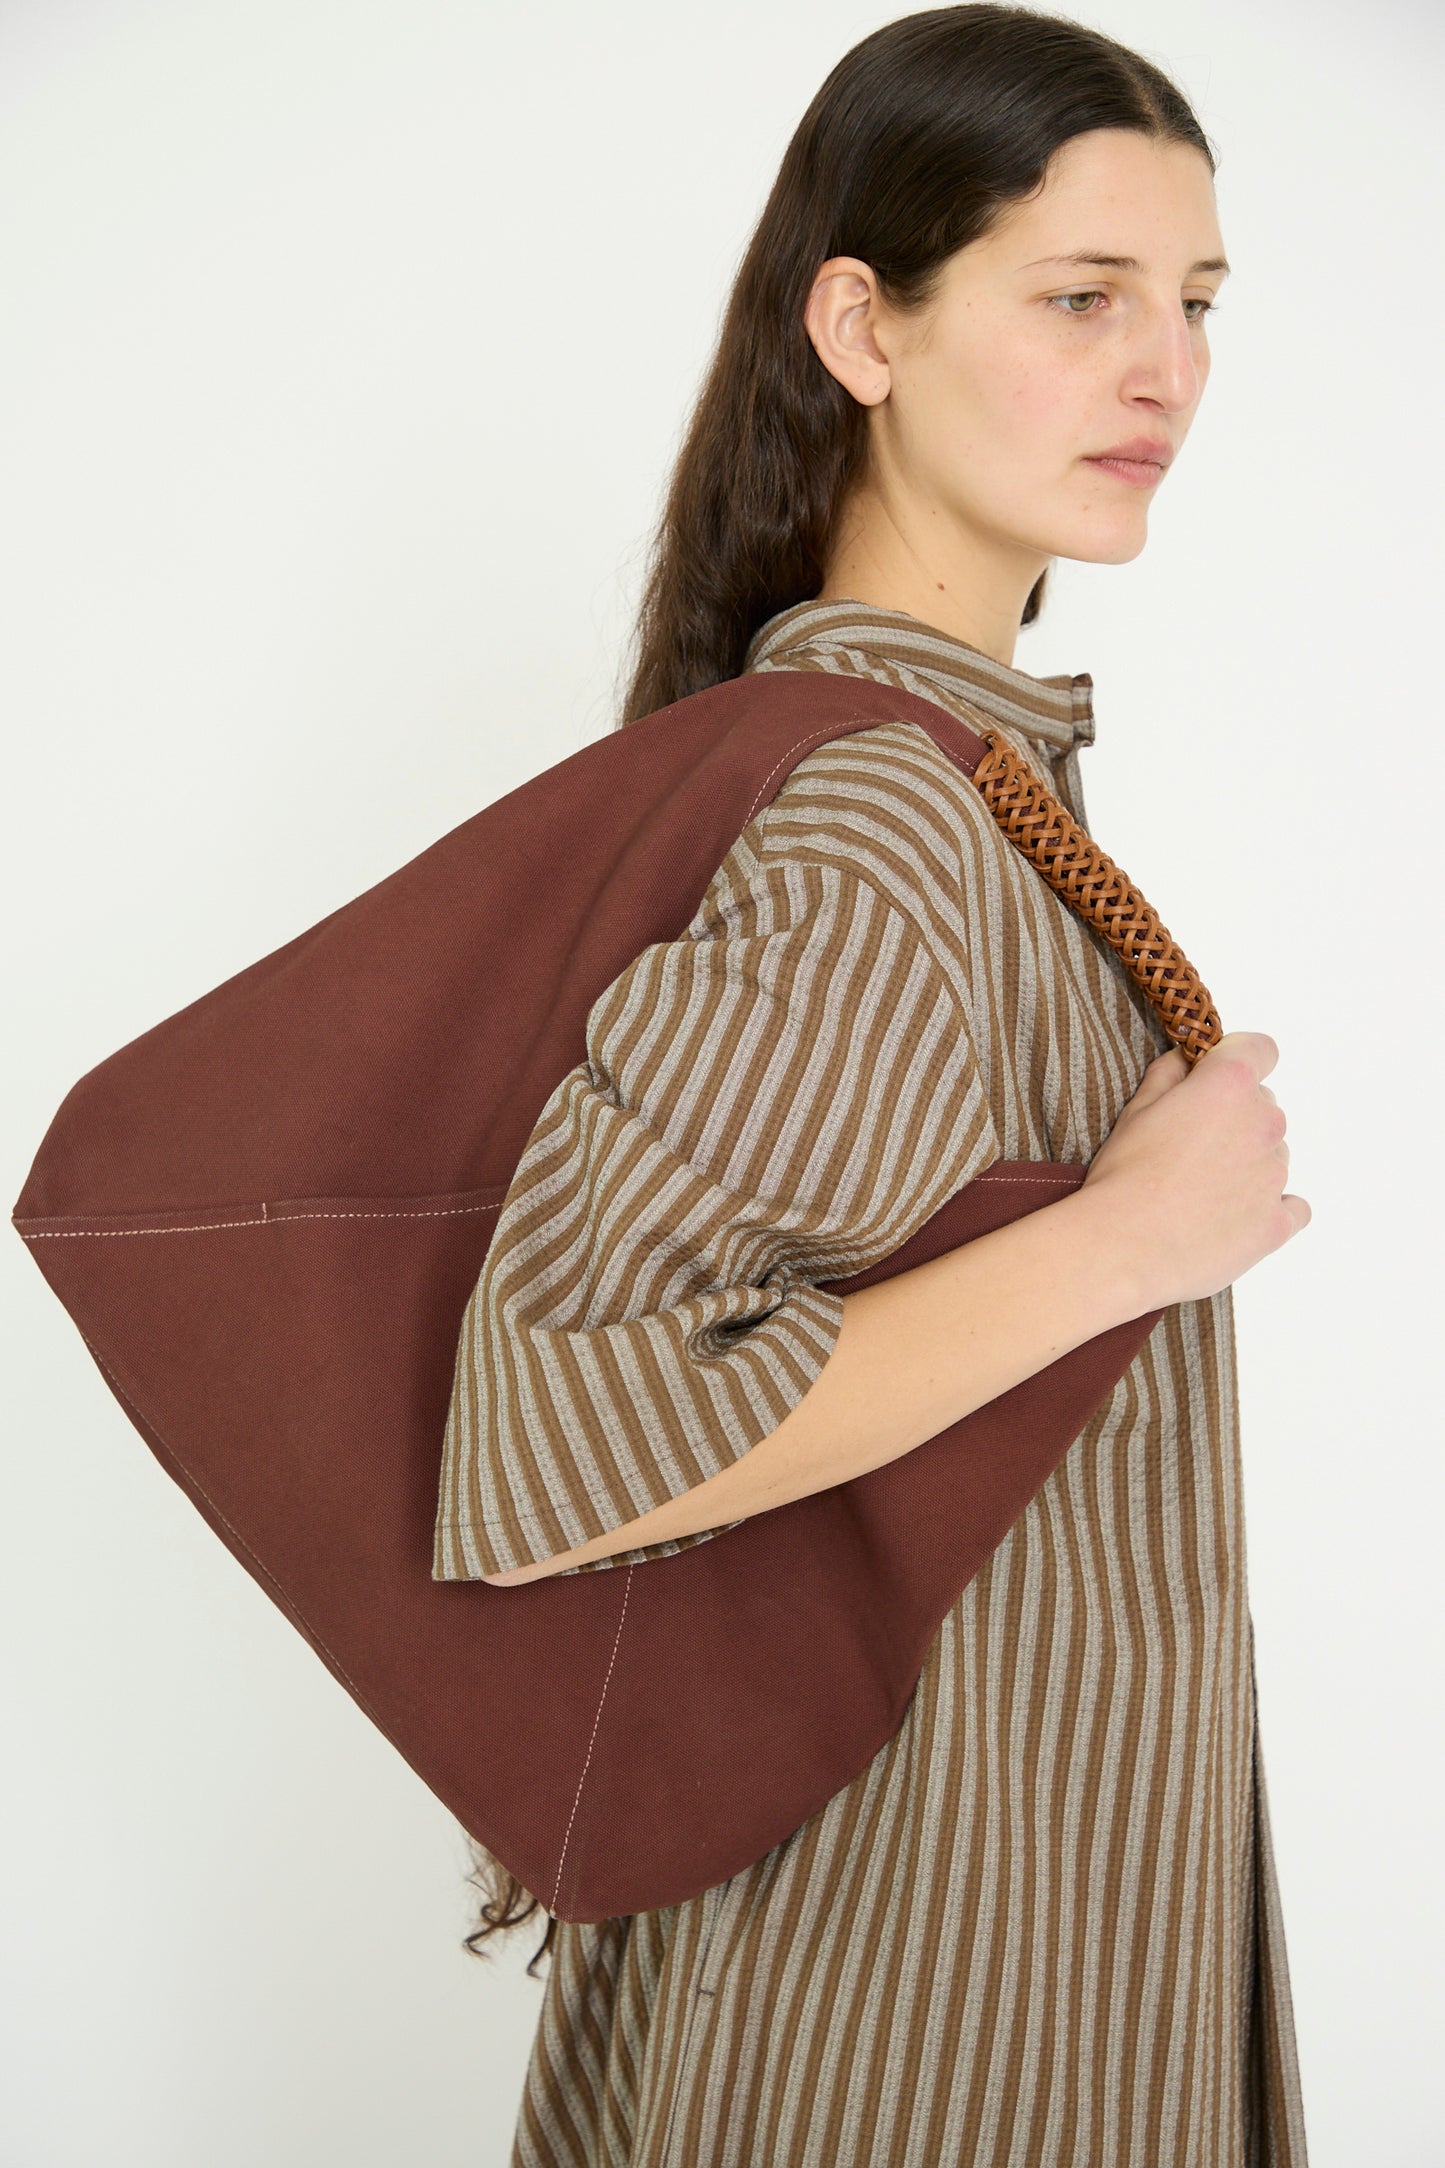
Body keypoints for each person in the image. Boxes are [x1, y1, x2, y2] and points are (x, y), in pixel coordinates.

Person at [433, 7, 1313, 2161]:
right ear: (864, 325)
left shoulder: (971, 791)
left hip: (985, 1936)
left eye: (1196, 306)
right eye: (1083, 296)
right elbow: (550, 1431)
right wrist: (1130, 1243)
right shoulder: (882, 818)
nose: (1166, 375)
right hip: (903, 1996)